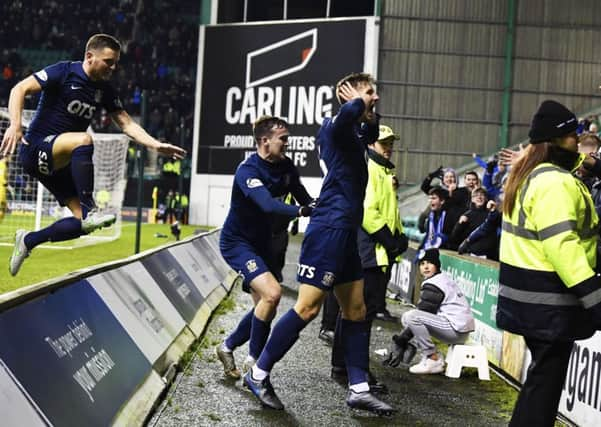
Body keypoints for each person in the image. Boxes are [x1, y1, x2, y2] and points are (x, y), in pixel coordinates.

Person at [244, 73, 395, 415]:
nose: (375, 97)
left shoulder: (355, 132)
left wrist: (368, 109)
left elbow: (369, 130)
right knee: (308, 308)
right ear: (349, 96)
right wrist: (357, 101)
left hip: (345, 230)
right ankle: (257, 373)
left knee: (356, 310)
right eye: (370, 92)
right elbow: (348, 118)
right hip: (329, 228)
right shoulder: (334, 127)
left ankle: (358, 388)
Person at [0, 33, 186, 276]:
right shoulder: (64, 71)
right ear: (90, 57)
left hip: (60, 163)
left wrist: (155, 145)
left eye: (116, 62)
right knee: (85, 139)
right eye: (108, 61)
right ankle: (91, 210)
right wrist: (15, 124)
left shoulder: (104, 90)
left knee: (81, 224)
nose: (113, 67)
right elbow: (19, 88)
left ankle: (29, 240)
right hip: (35, 148)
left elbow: (127, 124)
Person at [498, 100, 601, 426]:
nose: (579, 140)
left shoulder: (530, 175)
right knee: (543, 390)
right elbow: (563, 247)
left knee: (539, 385)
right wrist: (595, 297)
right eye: (573, 135)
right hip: (550, 304)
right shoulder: (555, 183)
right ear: (557, 141)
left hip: (531, 301)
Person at [216, 115, 313, 380]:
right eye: (282, 139)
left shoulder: (287, 167)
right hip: (238, 244)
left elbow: (305, 198)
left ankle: (226, 347)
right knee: (272, 294)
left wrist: (321, 206)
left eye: (287, 138)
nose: (287, 143)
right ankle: (254, 365)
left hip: (263, 243)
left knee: (265, 306)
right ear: (264, 141)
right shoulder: (247, 170)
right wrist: (302, 210)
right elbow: (269, 205)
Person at [383, 248, 474, 374]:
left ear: (436, 265)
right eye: (422, 263)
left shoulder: (434, 284)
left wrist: (402, 340)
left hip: (455, 331)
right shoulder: (441, 278)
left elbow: (424, 312)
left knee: (411, 317)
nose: (426, 267)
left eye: (429, 263)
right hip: (459, 330)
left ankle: (433, 358)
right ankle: (429, 356)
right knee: (407, 318)